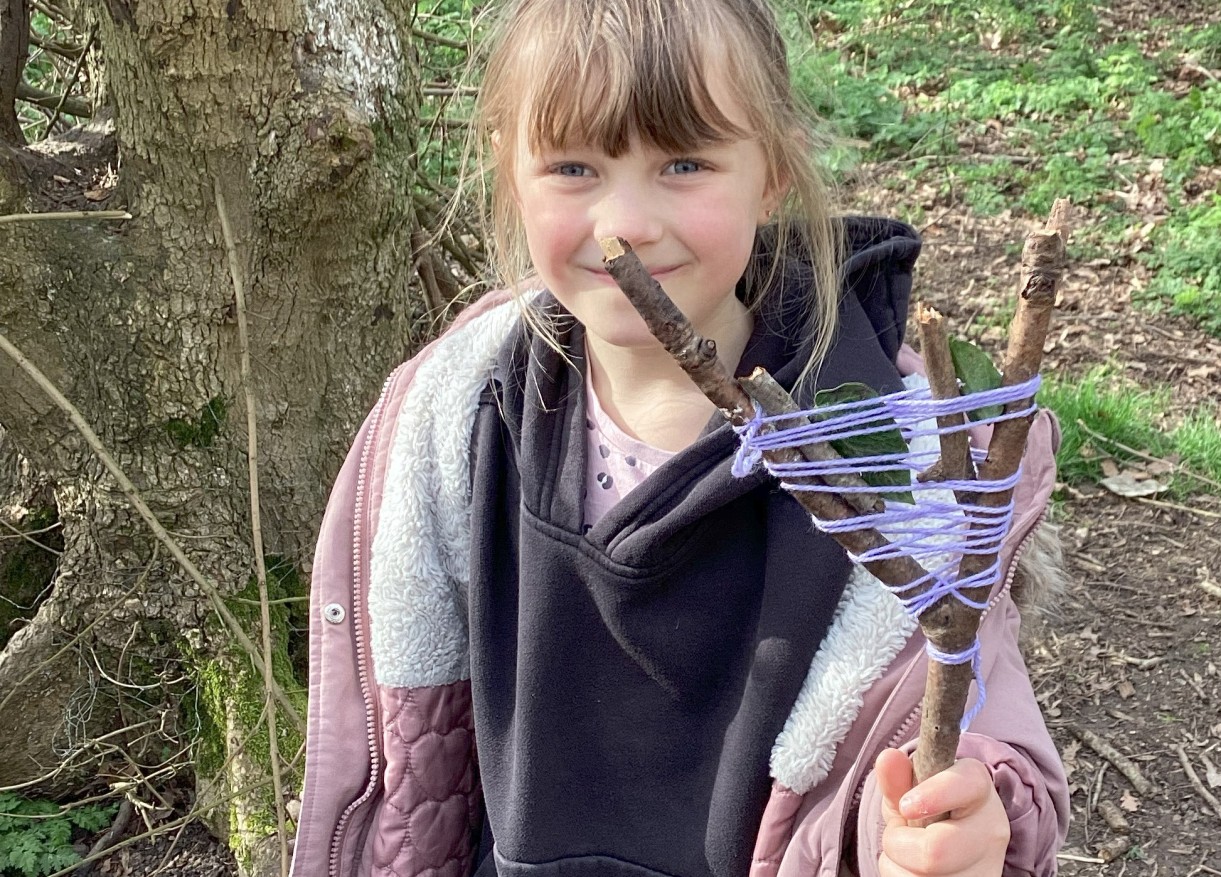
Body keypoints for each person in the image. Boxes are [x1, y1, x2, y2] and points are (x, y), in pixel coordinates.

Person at [289, 0, 1069, 875]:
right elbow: (413, 761)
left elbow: (973, 707)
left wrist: (958, 823)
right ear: (511, 172)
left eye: (684, 162)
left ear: (770, 171)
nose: (625, 225)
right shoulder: (463, 413)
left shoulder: (895, 454)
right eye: (575, 167)